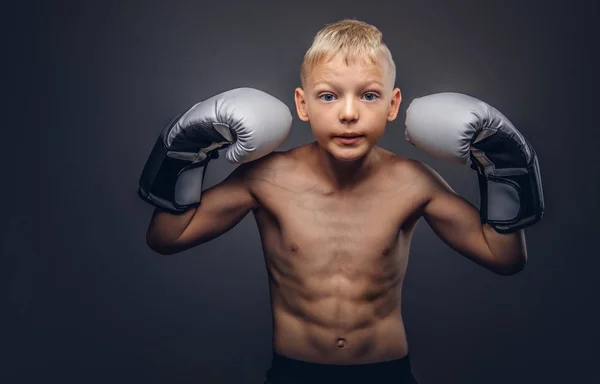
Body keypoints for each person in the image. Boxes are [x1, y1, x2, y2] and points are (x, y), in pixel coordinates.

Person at [138, 19, 544, 384]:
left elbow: (505, 258)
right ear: (302, 104)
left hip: (387, 373)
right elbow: (167, 237)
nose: (348, 114)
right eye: (328, 96)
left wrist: (502, 167)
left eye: (369, 96)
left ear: (393, 104)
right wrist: (190, 155)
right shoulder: (266, 178)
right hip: (294, 373)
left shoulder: (413, 182)